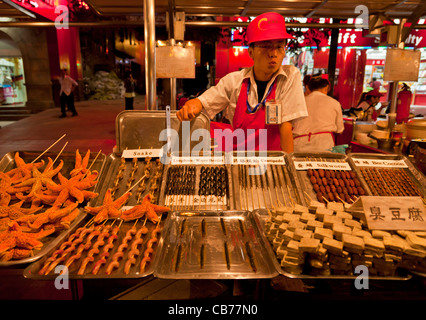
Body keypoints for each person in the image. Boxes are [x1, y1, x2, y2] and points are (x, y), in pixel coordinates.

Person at [176, 12, 307, 153]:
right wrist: (193, 103)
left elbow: (285, 126)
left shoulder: (290, 76)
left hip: (273, 160)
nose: (273, 53)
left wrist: (288, 167)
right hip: (240, 158)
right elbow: (205, 101)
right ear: (251, 52)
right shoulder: (234, 81)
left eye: (279, 47)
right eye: (265, 46)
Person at [292, 75, 344, 153]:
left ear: (309, 88)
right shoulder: (334, 103)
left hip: (299, 145)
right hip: (324, 146)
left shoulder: (298, 103)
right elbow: (340, 130)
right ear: (326, 88)